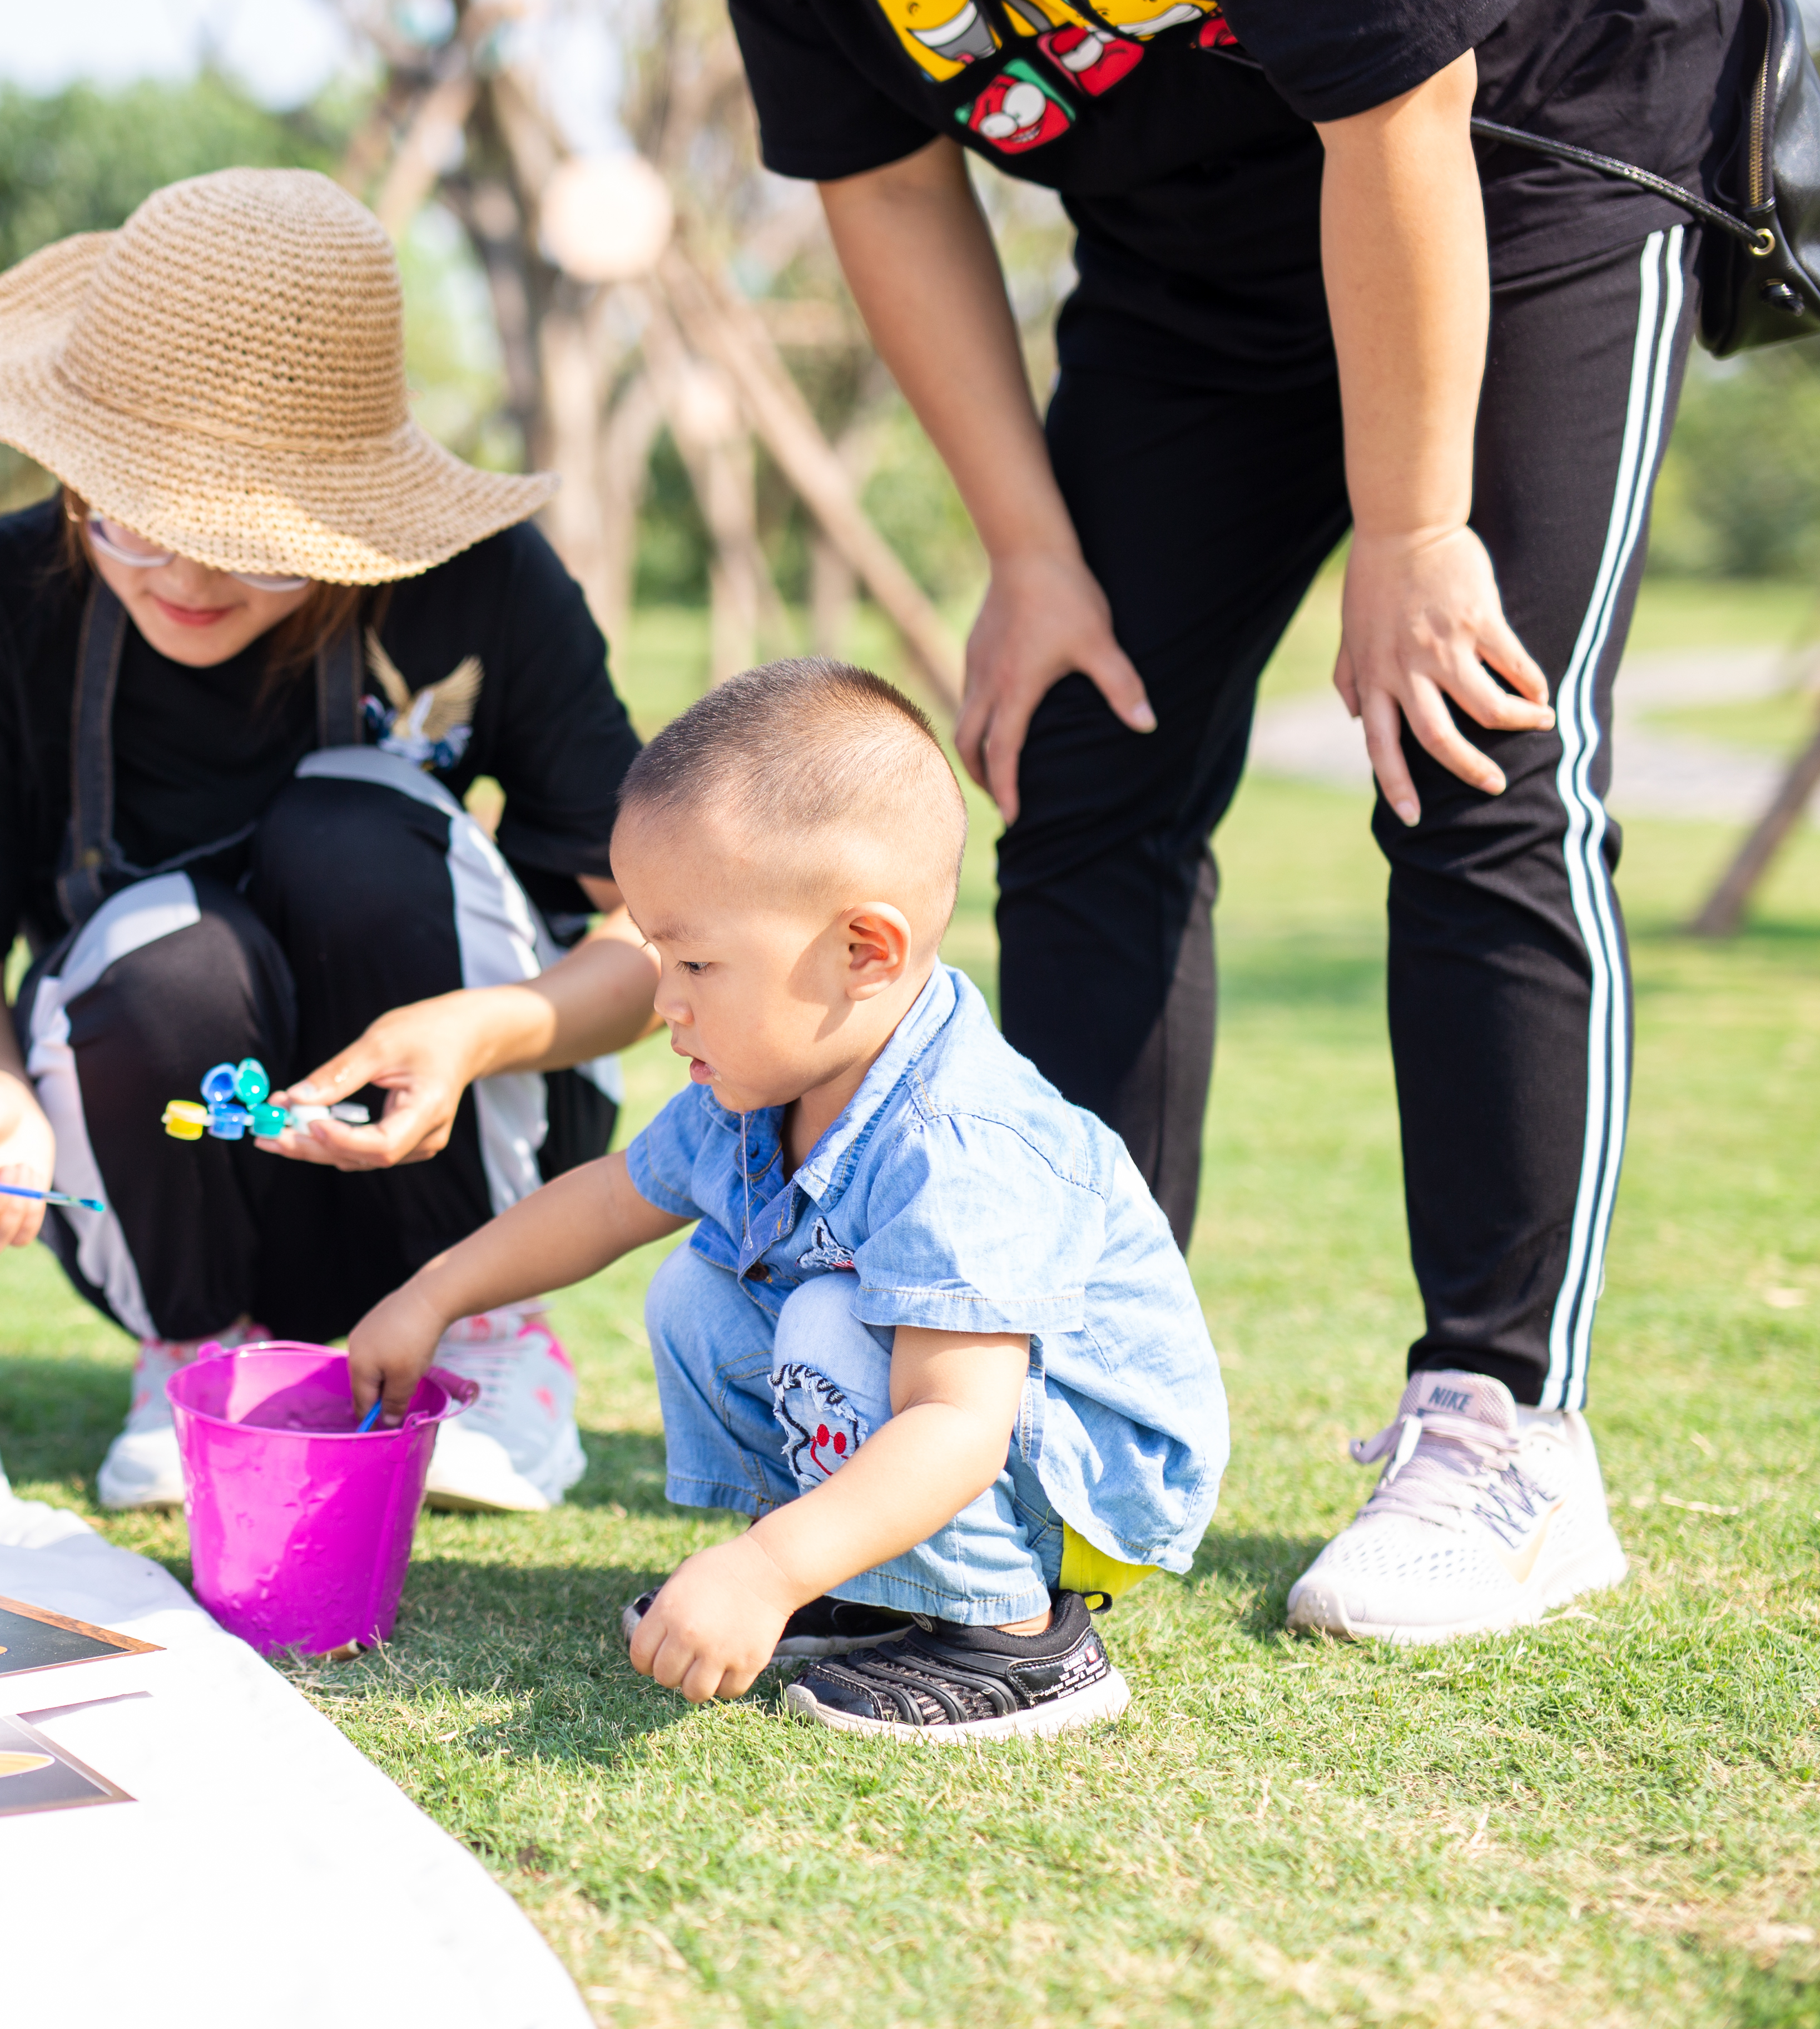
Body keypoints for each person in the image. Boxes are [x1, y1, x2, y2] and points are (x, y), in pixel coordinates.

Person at [723, 0, 1730, 1639]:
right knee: (1081, 751)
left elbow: (1402, 103)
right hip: (1192, 266)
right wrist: (1030, 555)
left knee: (1477, 745)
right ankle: (1068, 1380)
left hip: (1523, 155)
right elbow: (891, 180)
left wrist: (1418, 525)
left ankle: (1504, 1425)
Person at [0, 167, 657, 1514]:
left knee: (357, 829)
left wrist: (481, 1033)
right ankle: (198, 1354)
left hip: (478, 1187)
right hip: (164, 1207)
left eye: (261, 541)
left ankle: (486, 1340)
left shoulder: (487, 589)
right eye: (133, 509)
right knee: (165, 952)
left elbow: (650, 941)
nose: (189, 575)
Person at [349, 661, 1227, 1740]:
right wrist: (435, 1295)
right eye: (655, 956)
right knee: (699, 1289)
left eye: (696, 963)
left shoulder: (958, 1142)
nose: (663, 1003)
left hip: (1082, 1485)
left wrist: (764, 1570)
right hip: (954, 1429)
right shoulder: (758, 1087)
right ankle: (871, 1582)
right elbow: (607, 1200)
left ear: (864, 950)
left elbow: (961, 1423)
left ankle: (1016, 1636)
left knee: (823, 1314)